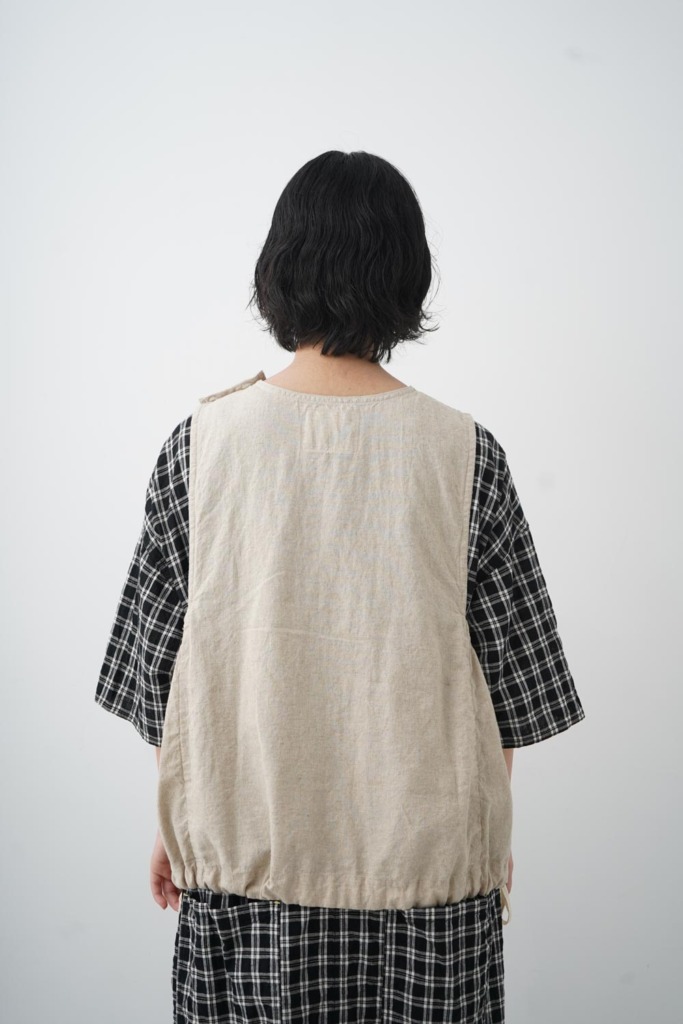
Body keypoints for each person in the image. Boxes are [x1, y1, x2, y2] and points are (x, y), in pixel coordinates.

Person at [95, 150, 586, 1023]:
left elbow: (161, 688)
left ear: (277, 271)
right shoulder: (466, 456)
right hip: (429, 899)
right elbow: (511, 699)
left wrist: (176, 828)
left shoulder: (198, 450)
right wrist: (483, 839)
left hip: (245, 890)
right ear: (408, 276)